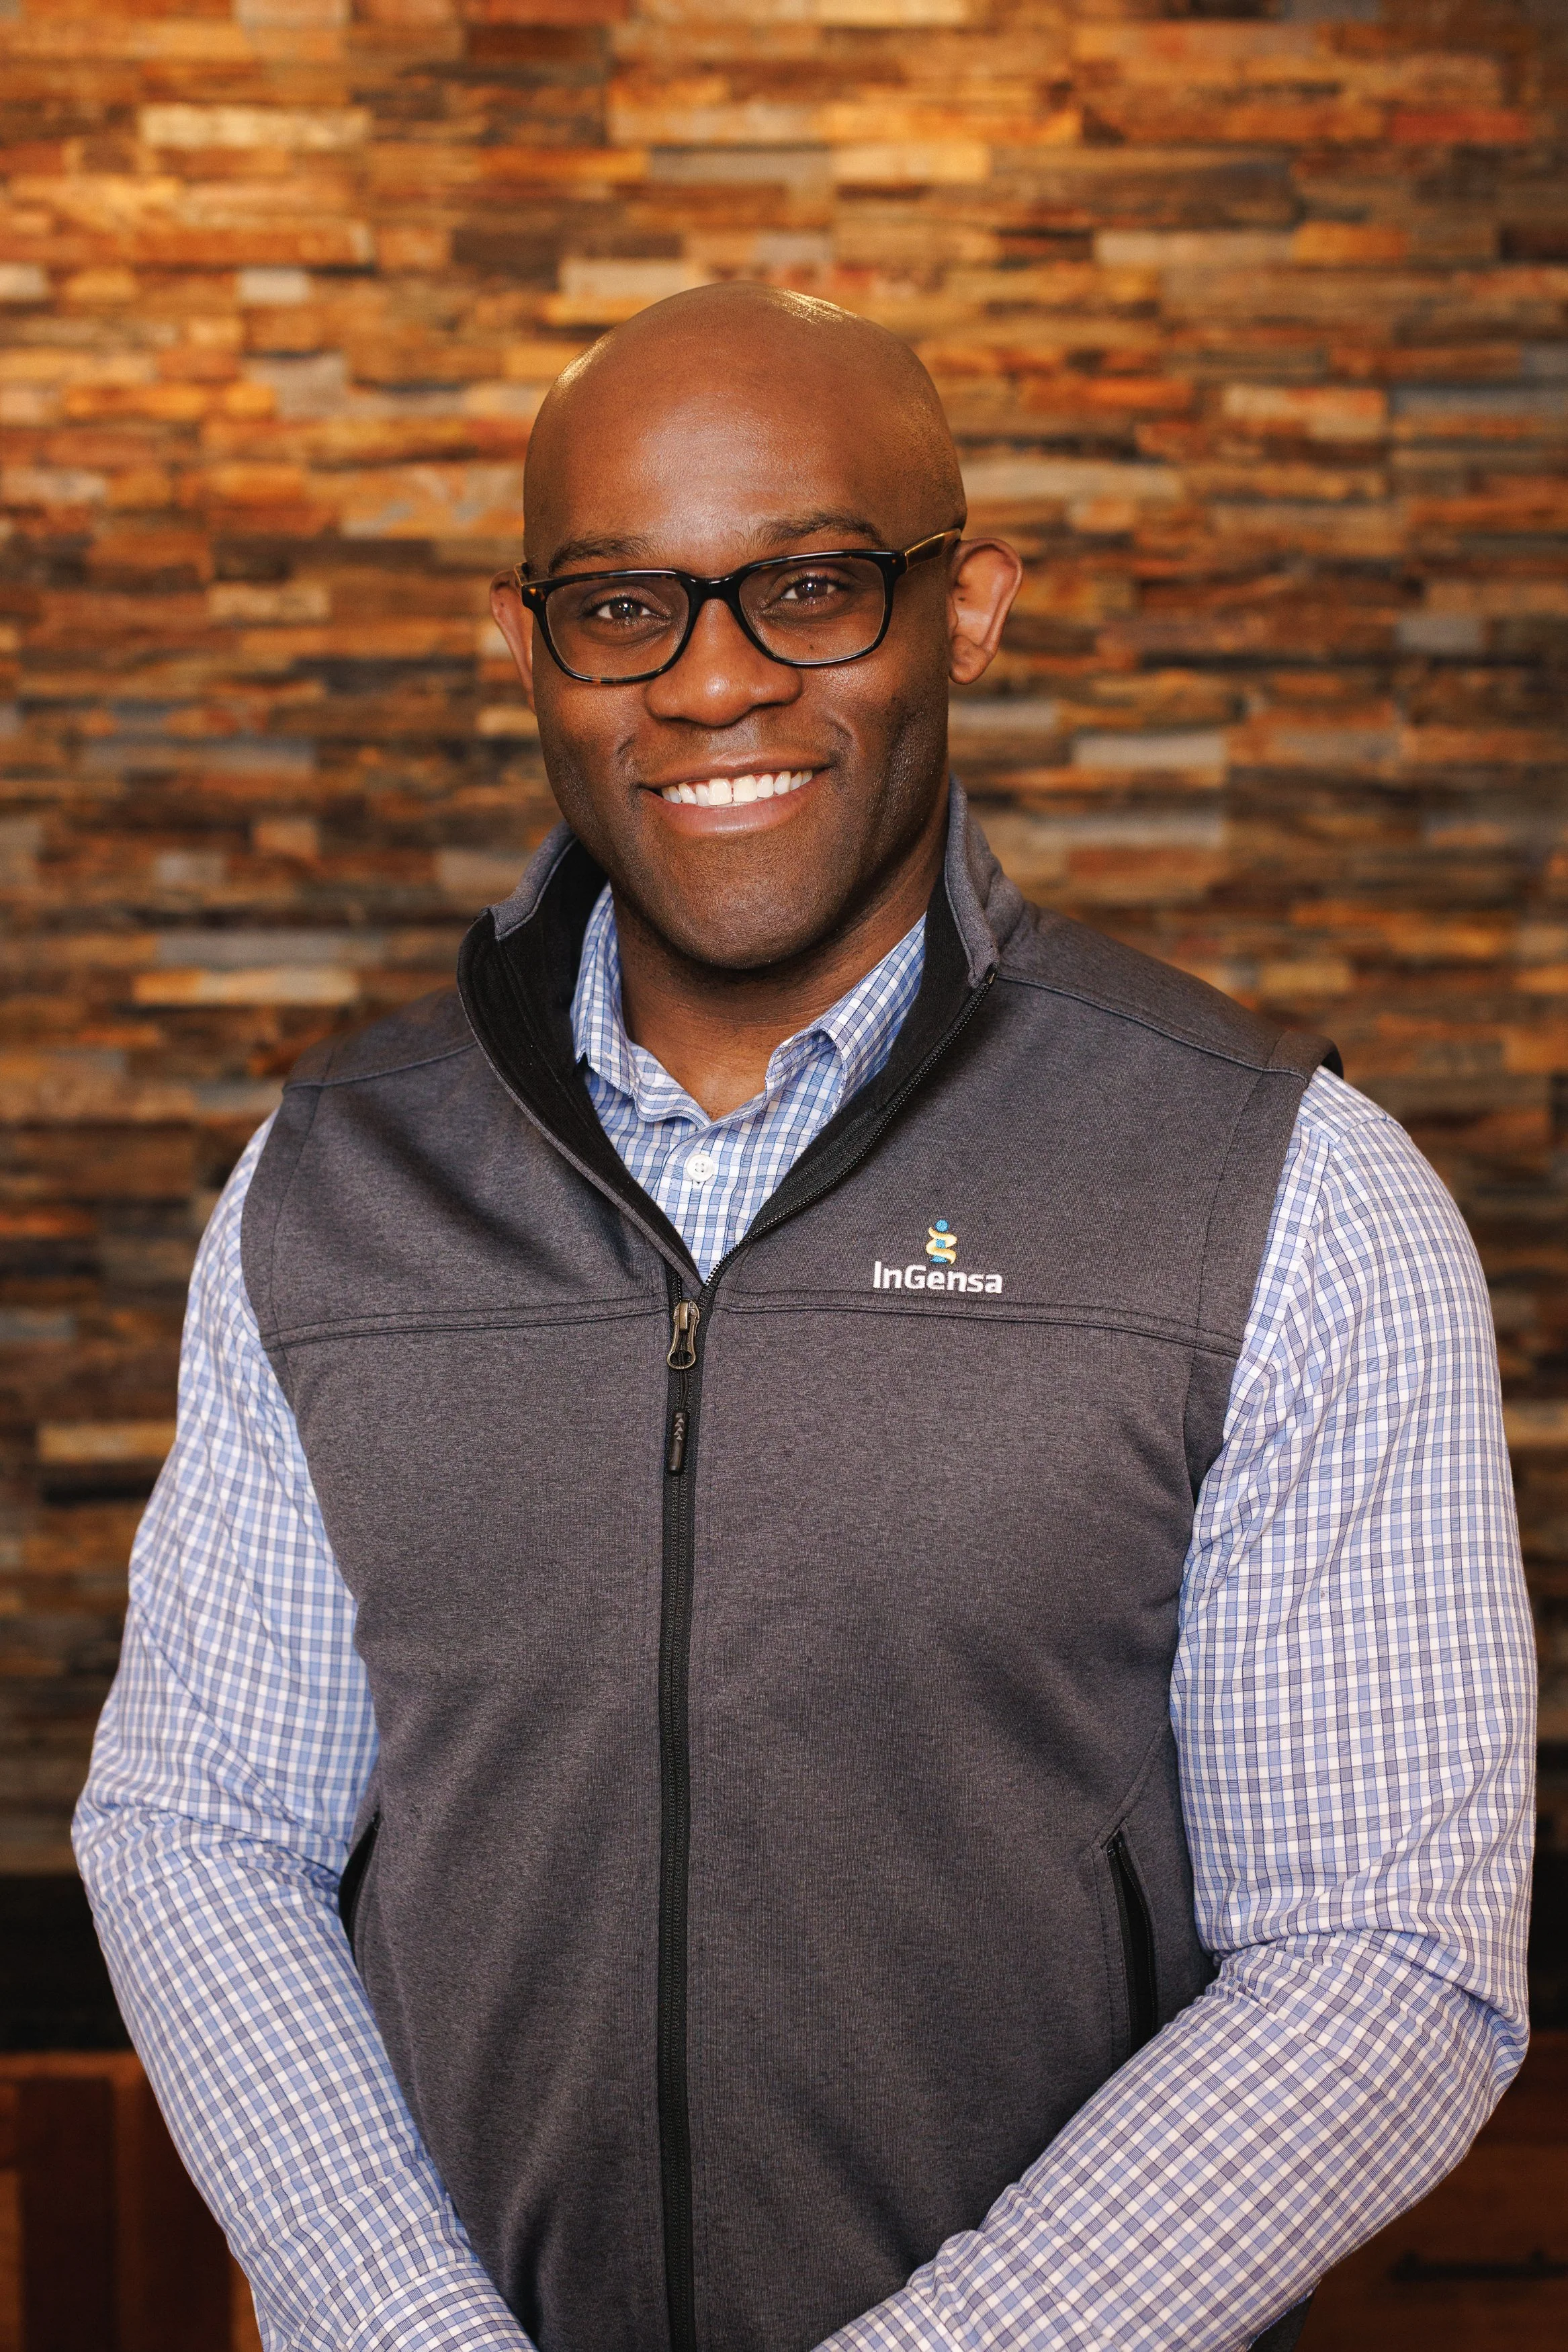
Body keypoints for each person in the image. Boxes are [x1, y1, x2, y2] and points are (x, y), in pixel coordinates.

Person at [76, 286, 1533, 2352]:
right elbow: (200, 1825)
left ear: (970, 608)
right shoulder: (328, 1188)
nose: (714, 681)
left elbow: (1382, 1953)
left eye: (811, 586)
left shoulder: (1283, 1187)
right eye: (622, 606)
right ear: (524, 647)